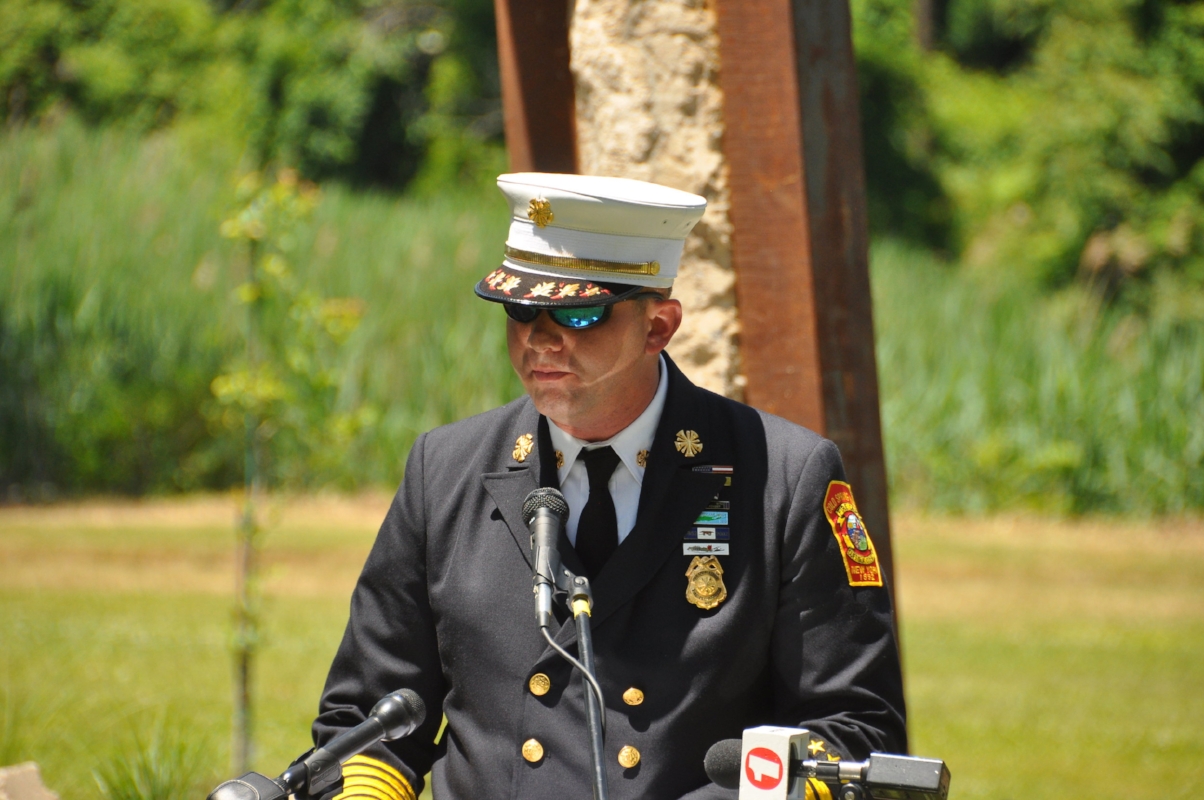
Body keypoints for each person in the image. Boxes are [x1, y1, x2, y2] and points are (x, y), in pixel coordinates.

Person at [312, 173, 906, 800]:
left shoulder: (783, 479)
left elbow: (854, 732)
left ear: (658, 327)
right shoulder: (445, 468)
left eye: (579, 311)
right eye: (520, 308)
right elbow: (368, 720)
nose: (540, 338)